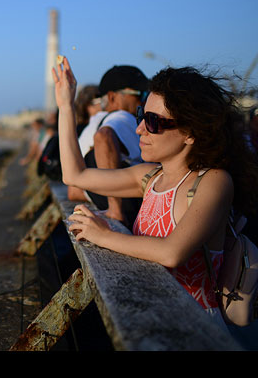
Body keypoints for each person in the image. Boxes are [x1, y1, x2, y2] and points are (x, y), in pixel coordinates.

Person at [52, 56, 258, 328]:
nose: (139, 129)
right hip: (151, 315)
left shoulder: (214, 182)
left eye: (153, 122)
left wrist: (104, 235)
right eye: (141, 116)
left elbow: (172, 252)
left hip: (194, 326)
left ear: (190, 132)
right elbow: (74, 175)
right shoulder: (149, 177)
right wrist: (66, 105)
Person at [77, 65, 149, 227]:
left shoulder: (93, 124)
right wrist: (115, 208)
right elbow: (104, 137)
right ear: (112, 98)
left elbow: (73, 191)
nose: (145, 100)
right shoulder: (122, 117)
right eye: (141, 94)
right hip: (128, 214)